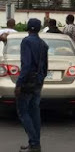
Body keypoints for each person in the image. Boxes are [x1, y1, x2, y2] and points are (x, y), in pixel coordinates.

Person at [15, 19, 48, 152]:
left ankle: (34, 143)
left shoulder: (26, 41)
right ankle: (35, 143)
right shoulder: (43, 44)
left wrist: (19, 83)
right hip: (38, 82)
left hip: (27, 82)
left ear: (28, 28)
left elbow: (26, 65)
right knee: (35, 112)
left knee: (23, 112)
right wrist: (40, 78)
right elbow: (46, 68)